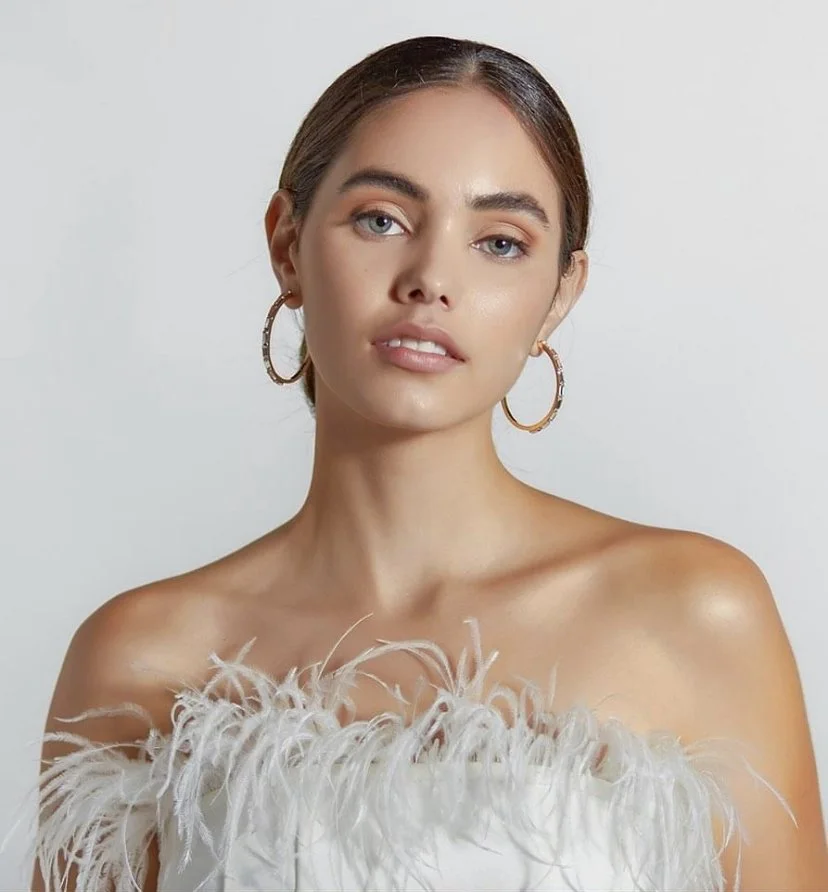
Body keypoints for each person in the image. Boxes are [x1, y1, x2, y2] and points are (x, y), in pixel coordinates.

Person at [18, 34, 828, 891]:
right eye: (382, 219)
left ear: (561, 292)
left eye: (501, 241)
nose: (431, 278)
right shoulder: (144, 657)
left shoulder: (696, 613)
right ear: (287, 245)